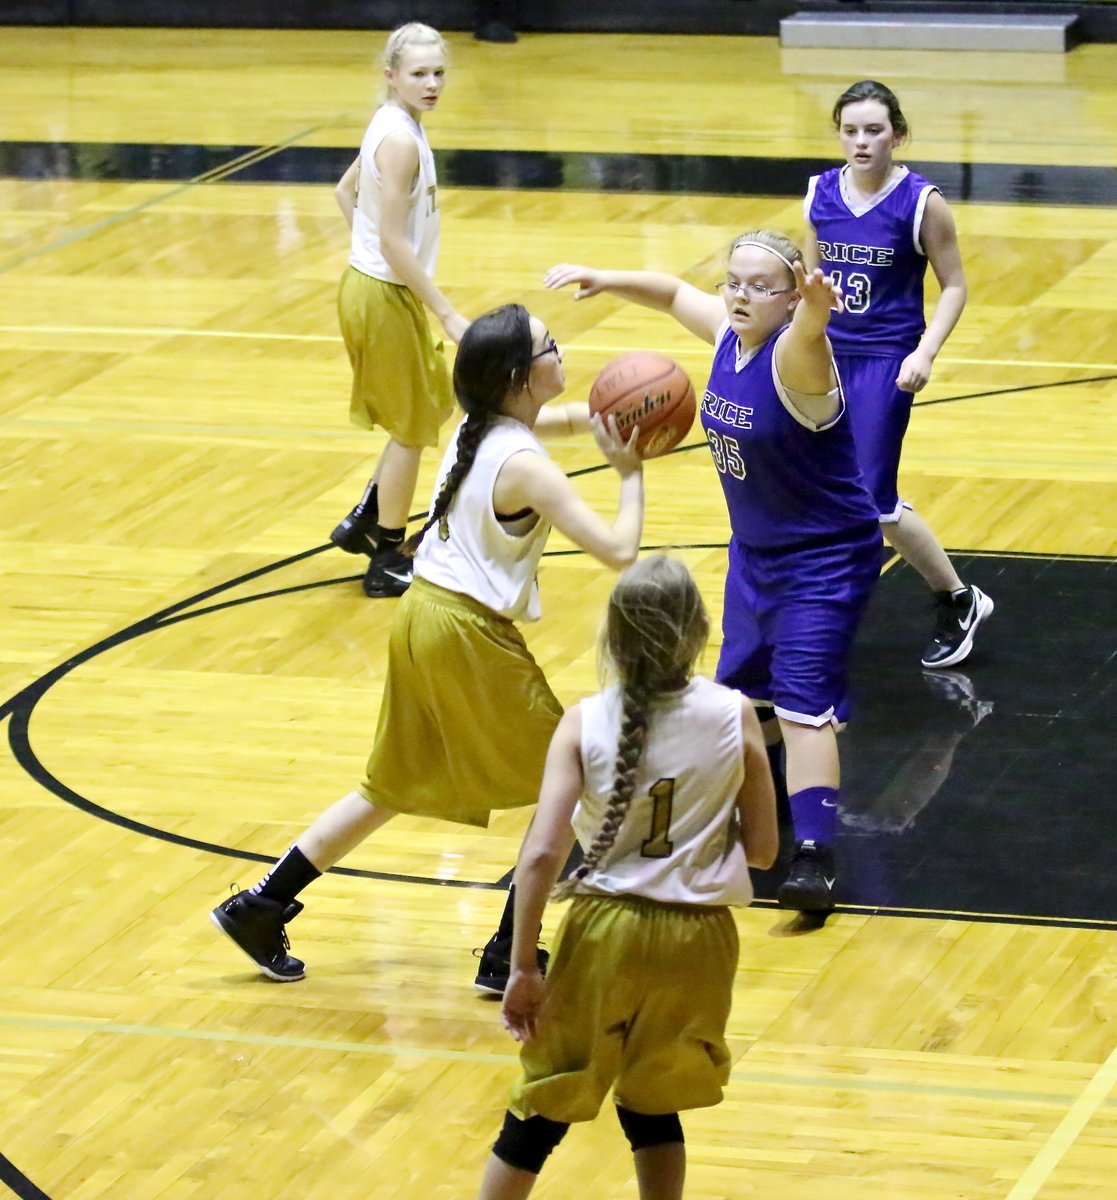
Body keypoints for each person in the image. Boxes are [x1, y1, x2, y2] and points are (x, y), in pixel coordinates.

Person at [211, 304, 645, 988]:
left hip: (419, 617)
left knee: (390, 785)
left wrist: (617, 418)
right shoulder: (525, 467)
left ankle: (261, 904)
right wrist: (629, 472)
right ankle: (511, 952)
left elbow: (558, 423)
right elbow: (619, 552)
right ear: (517, 376)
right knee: (581, 775)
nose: (562, 353)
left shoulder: (477, 430)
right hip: (464, 633)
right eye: (549, 348)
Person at [545, 230, 882, 912]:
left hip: (824, 555)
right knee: (740, 696)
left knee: (802, 702)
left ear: (789, 299)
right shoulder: (731, 333)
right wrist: (603, 274)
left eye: (762, 286)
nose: (740, 295)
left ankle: (814, 859)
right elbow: (673, 293)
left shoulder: (795, 354)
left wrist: (815, 308)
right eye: (734, 281)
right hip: (754, 552)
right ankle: (762, 797)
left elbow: (810, 336)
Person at [475, 555, 778, 1200]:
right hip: (701, 940)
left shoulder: (584, 721)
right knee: (652, 1102)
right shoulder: (736, 714)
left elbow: (538, 857)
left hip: (605, 931)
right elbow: (764, 851)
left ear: (612, 637)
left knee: (540, 1105)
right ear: (700, 630)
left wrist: (524, 965)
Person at [804, 79, 993, 668]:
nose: (860, 141)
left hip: (886, 361)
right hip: (824, 358)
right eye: (850, 130)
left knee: (869, 498)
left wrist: (925, 353)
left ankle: (956, 598)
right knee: (834, 492)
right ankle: (957, 599)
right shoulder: (817, 193)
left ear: (898, 135)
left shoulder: (921, 201)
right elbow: (809, 287)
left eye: (874, 130)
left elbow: (955, 285)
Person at [330, 23, 470, 598]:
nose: (432, 83)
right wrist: (445, 312)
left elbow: (344, 192)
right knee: (414, 429)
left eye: (438, 73)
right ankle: (387, 555)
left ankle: (367, 512)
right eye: (419, 74)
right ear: (392, 76)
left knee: (435, 401)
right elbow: (391, 242)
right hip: (384, 292)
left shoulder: (393, 124)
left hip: (377, 287)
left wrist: (370, 257)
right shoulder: (402, 142)